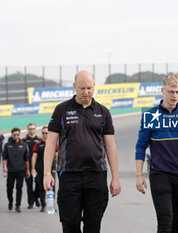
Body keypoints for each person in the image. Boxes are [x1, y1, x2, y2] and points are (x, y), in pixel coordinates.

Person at [43, 70, 121, 233]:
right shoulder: (61, 110)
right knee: (70, 223)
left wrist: (115, 178)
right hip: (69, 175)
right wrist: (46, 173)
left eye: (89, 88)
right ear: (74, 87)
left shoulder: (103, 112)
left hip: (96, 175)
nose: (86, 92)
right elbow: (50, 143)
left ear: (94, 87)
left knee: (93, 224)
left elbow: (111, 146)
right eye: (82, 88)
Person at [135, 73, 178, 233]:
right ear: (162, 91)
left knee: (177, 222)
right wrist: (139, 175)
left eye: (177, 92)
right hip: (160, 175)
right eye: (170, 92)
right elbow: (140, 146)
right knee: (165, 220)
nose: (174, 95)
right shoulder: (150, 115)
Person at [2, 128, 30, 213]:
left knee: (19, 188)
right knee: (9, 188)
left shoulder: (24, 145)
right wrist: (4, 166)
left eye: (17, 134)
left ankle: (18, 205)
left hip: (21, 170)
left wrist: (28, 170)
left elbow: (26, 160)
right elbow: (4, 158)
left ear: (19, 135)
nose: (16, 136)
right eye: (14, 134)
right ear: (12, 135)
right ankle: (10, 201)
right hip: (10, 170)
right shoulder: (7, 145)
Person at [31, 126, 58, 212]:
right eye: (43, 133)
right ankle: (43, 204)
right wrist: (33, 168)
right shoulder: (38, 144)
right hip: (40, 169)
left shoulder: (54, 144)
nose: (44, 134)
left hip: (52, 169)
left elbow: (57, 156)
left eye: (46, 133)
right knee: (41, 188)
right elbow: (34, 156)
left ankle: (52, 205)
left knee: (52, 188)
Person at [22, 123, 41, 209]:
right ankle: (30, 203)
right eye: (30, 129)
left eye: (33, 128)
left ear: (35, 129)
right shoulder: (23, 140)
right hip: (27, 167)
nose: (31, 130)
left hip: (38, 167)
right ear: (27, 130)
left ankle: (35, 197)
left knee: (38, 184)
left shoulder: (39, 140)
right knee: (29, 185)